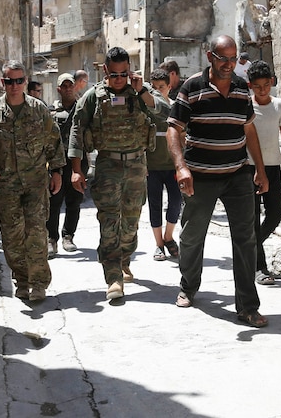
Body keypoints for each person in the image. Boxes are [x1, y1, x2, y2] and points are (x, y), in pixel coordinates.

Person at [167, 35, 270, 328]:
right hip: (201, 176)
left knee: (246, 239)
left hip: (237, 174)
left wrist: (259, 170)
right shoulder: (192, 88)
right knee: (192, 235)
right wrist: (180, 167)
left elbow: (249, 130)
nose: (228, 64)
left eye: (233, 58)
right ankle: (188, 284)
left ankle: (247, 306)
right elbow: (174, 130)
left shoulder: (241, 89)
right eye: (222, 58)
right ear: (209, 56)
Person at [68, 47, 170, 300]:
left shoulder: (140, 91)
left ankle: (124, 258)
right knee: (109, 221)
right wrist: (76, 170)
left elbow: (165, 113)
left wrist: (142, 90)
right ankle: (113, 276)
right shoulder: (93, 96)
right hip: (107, 166)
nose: (119, 80)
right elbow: (77, 129)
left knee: (131, 222)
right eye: (114, 75)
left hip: (137, 165)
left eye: (123, 74)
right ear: (105, 71)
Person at [0, 60, 66, 302]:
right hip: (7, 185)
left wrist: (58, 171)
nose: (14, 85)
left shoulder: (39, 110)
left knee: (37, 233)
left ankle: (39, 282)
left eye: (19, 80)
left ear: (25, 81)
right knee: (12, 235)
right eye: (9, 81)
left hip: (36, 183)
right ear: (2, 83)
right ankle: (22, 279)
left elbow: (53, 141)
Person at [247, 60, 281, 286]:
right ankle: (260, 268)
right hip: (248, 168)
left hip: (273, 167)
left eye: (266, 85)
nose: (262, 90)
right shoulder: (247, 107)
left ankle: (252, 248)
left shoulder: (279, 106)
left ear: (272, 83)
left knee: (275, 214)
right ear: (250, 86)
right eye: (257, 86)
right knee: (253, 219)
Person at [46, 72, 88, 258]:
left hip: (78, 161)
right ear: (59, 89)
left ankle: (68, 236)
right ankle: (51, 238)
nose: (68, 88)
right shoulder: (51, 112)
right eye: (64, 86)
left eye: (71, 85)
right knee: (54, 201)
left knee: (74, 201)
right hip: (57, 162)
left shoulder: (83, 109)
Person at [145, 68, 182, 261]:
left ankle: (169, 236)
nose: (158, 91)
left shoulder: (175, 107)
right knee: (155, 205)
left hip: (172, 166)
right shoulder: (148, 110)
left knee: (176, 201)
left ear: (169, 86)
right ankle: (159, 244)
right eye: (154, 88)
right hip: (152, 166)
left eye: (162, 87)